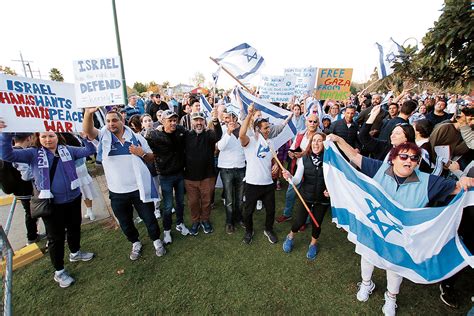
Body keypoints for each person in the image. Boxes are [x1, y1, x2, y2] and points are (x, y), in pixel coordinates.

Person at [329, 135, 474, 316]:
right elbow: (353, 156)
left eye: (415, 158)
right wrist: (337, 140)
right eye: (404, 156)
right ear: (393, 159)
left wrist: (466, 181)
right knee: (367, 255)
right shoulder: (379, 169)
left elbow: (458, 188)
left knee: (396, 266)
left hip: (401, 237)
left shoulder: (428, 182)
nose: (409, 161)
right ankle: (366, 283)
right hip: (374, 229)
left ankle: (391, 296)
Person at [0, 127, 96, 288]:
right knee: (55, 238)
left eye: (51, 136)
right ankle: (59, 271)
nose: (48, 139)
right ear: (38, 137)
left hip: (72, 198)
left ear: (57, 136)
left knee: (74, 228)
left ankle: (75, 253)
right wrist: (6, 133)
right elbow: (7, 155)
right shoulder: (32, 153)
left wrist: (85, 137)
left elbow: (89, 150)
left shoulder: (68, 150)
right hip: (52, 204)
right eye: (44, 136)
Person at [82, 108, 166, 261]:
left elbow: (151, 157)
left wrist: (141, 153)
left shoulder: (136, 138)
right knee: (125, 223)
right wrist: (89, 113)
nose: (110, 124)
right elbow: (87, 130)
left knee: (149, 219)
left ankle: (156, 241)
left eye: (114, 120)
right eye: (108, 121)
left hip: (138, 188)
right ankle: (135, 242)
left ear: (122, 121)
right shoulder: (103, 137)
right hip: (117, 192)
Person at [281, 133, 330, 260]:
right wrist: (289, 177)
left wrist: (330, 190)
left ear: (324, 144)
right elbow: (297, 179)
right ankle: (290, 236)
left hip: (322, 199)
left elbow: (335, 180)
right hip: (306, 196)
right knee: (299, 221)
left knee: (317, 223)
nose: (316, 143)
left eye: (319, 141)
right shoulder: (304, 159)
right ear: (310, 143)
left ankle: (313, 244)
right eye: (314, 140)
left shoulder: (330, 160)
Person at [146, 110, 190, 244]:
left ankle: (180, 223)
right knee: (167, 205)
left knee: (180, 202)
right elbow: (146, 138)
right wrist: (154, 129)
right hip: (165, 176)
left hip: (179, 173)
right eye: (169, 120)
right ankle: (167, 231)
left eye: (174, 120)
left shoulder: (180, 132)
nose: (173, 123)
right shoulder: (155, 135)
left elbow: (188, 131)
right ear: (162, 121)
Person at [239, 104, 278, 245]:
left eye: (269, 127)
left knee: (271, 210)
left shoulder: (271, 143)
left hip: (267, 183)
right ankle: (249, 231)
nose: (269, 130)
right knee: (248, 212)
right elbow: (241, 134)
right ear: (258, 129)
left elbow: (274, 160)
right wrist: (249, 114)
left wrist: (276, 166)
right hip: (252, 183)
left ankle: (268, 229)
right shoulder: (250, 141)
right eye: (266, 128)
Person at [183, 110, 222, 235]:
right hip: (190, 177)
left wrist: (215, 120)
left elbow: (218, 135)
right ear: (191, 122)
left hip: (207, 176)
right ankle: (195, 221)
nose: (198, 123)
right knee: (193, 202)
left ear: (204, 121)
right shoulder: (186, 135)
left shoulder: (209, 134)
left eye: (201, 120)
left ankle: (205, 220)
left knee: (206, 201)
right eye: (196, 120)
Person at [276, 114, 319, 223]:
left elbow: (321, 154)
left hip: (312, 171)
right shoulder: (301, 134)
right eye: (310, 121)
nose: (312, 124)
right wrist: (291, 152)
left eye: (315, 122)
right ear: (306, 122)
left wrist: (304, 154)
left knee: (308, 197)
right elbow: (293, 146)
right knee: (290, 193)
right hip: (297, 167)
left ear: (318, 123)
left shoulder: (321, 137)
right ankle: (287, 214)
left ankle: (306, 220)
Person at [217, 109, 245, 234]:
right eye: (226, 118)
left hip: (241, 167)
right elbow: (220, 147)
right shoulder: (222, 130)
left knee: (239, 197)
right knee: (229, 198)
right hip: (226, 168)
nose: (228, 120)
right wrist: (228, 131)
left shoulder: (243, 129)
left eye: (230, 117)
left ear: (235, 117)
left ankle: (239, 218)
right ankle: (229, 222)